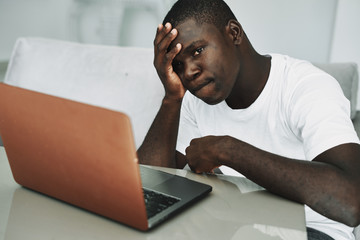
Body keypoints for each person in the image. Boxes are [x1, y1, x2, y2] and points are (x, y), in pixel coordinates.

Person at [137, 0, 360, 239]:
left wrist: (228, 150)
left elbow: (351, 202)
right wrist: (172, 98)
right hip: (233, 227)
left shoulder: (306, 86)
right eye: (178, 65)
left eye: (198, 51)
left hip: (310, 231)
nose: (189, 72)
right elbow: (146, 191)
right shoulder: (194, 100)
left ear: (234, 33)